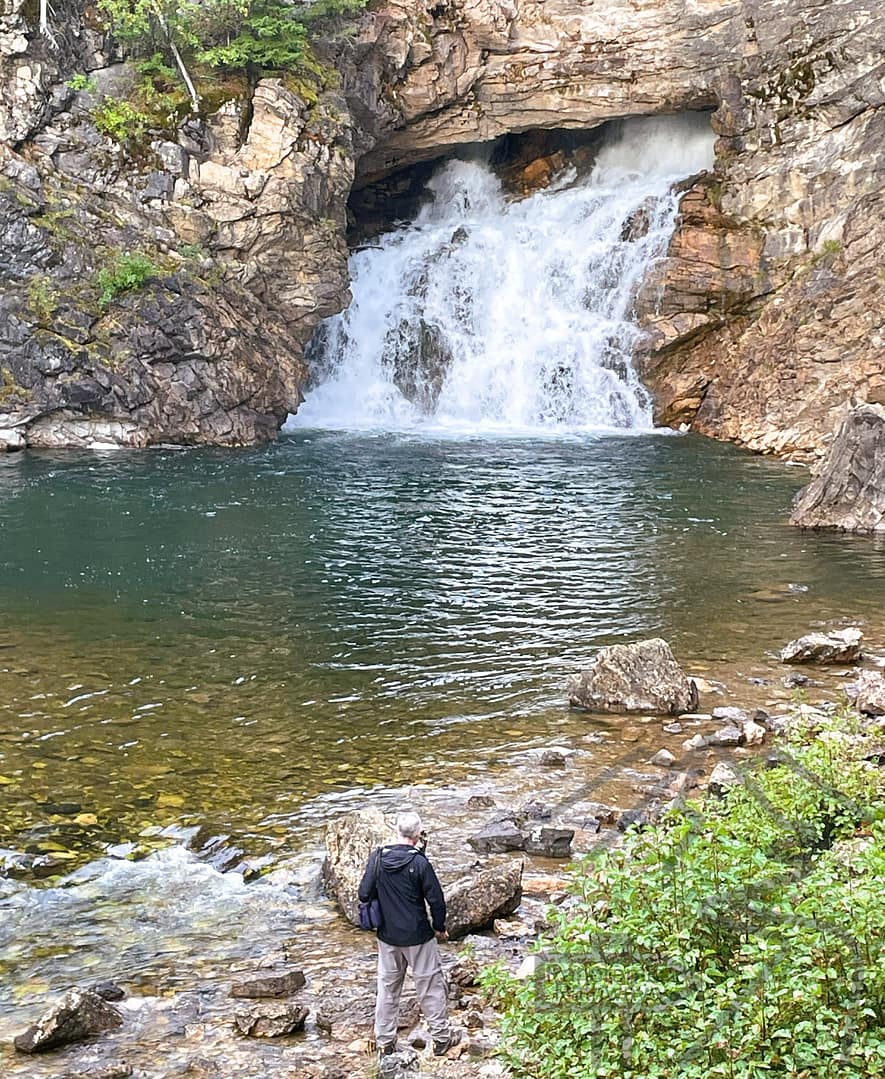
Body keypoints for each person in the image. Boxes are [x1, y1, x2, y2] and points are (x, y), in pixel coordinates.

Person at [358, 810, 462, 1057]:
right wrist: (439, 926)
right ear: (417, 835)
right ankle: (440, 1039)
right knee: (430, 986)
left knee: (388, 989)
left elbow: (364, 893)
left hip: (388, 937)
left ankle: (385, 1041)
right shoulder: (419, 863)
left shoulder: (378, 858)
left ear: (396, 830)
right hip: (418, 936)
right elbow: (436, 900)